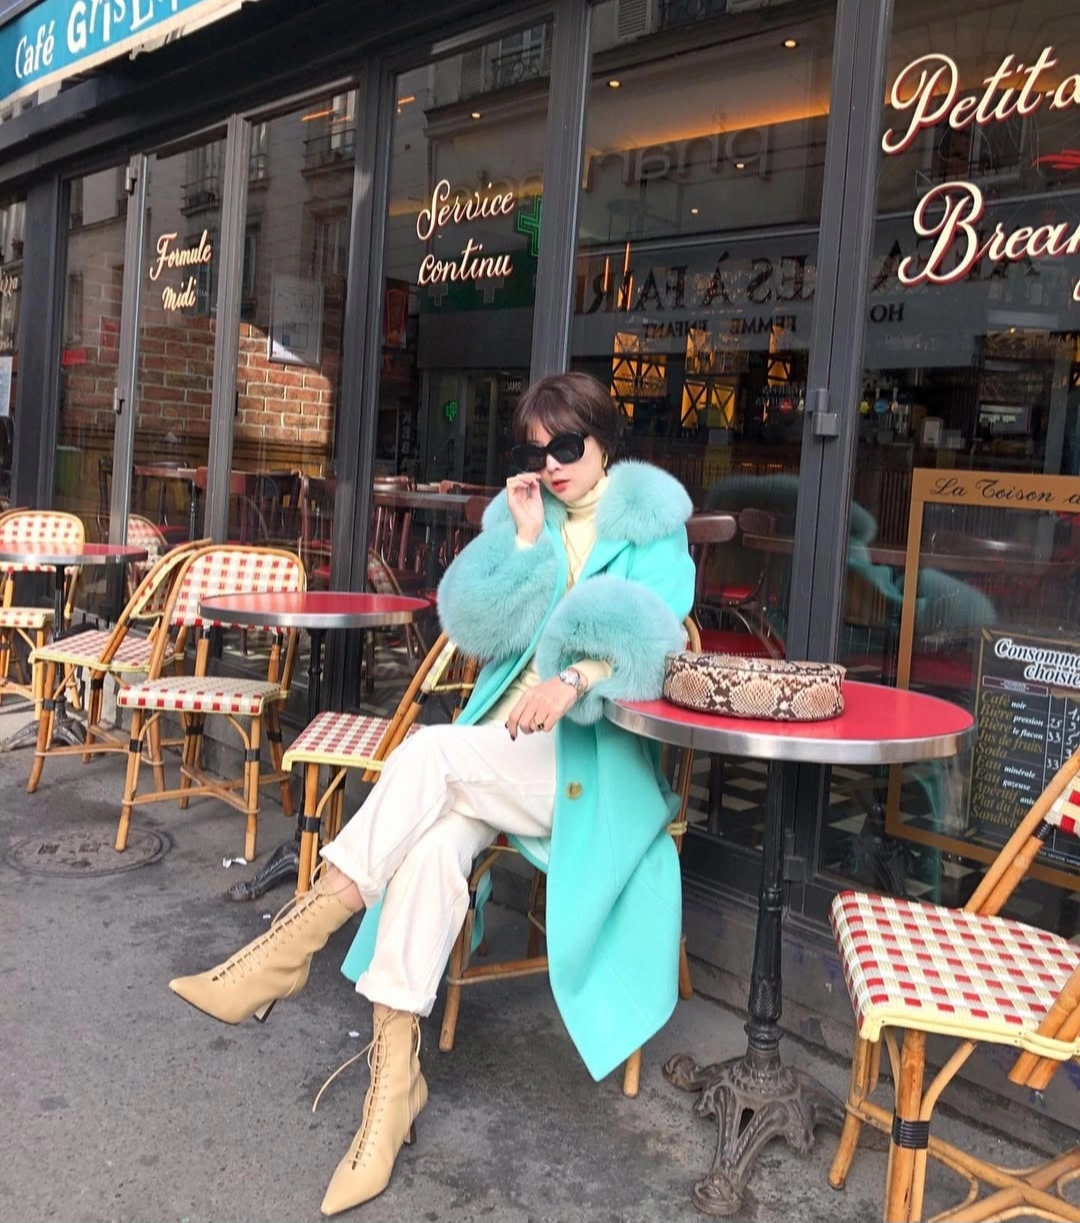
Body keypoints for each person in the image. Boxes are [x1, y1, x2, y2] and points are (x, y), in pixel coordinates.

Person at [169, 371, 697, 1216]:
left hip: (592, 764)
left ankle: (287, 947)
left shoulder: (652, 526)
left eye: (567, 446)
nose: (552, 465)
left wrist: (573, 678)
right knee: (430, 847)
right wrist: (526, 545)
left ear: (604, 440)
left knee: (429, 755)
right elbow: (473, 627)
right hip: (498, 751)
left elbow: (658, 640)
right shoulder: (525, 517)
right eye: (535, 450)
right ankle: (391, 1097)